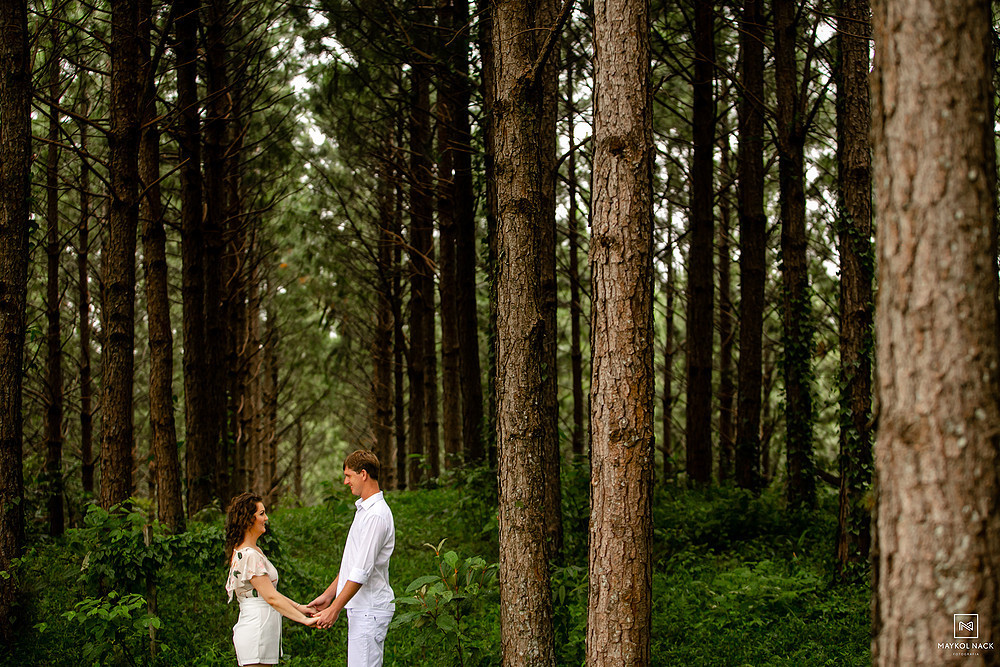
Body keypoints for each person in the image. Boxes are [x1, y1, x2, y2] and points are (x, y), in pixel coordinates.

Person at [308, 450, 396, 667]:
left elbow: (361, 572)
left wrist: (334, 609)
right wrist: (328, 596)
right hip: (361, 608)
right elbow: (352, 565)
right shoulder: (364, 511)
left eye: (349, 475)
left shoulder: (376, 515)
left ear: (363, 474)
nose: (345, 481)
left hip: (370, 609)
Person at [225, 492, 317, 666]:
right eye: (261, 514)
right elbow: (271, 598)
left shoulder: (255, 551)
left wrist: (300, 608)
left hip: (263, 628)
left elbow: (270, 593)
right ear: (248, 519)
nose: (266, 518)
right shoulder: (249, 555)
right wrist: (304, 620)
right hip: (256, 630)